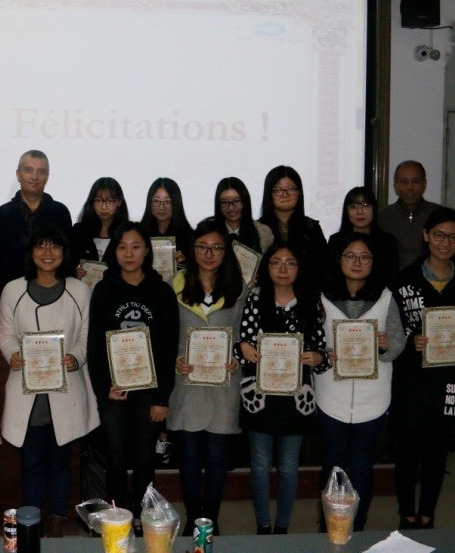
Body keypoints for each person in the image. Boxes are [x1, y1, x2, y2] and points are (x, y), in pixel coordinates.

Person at [0, 224, 99, 538]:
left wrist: (75, 357)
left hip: (66, 392)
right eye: (40, 246)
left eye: (54, 246)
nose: (47, 252)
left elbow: (87, 336)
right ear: (30, 252)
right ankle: (32, 525)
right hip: (28, 395)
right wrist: (13, 353)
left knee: (60, 465)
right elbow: (5, 333)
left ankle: (56, 523)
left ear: (64, 253)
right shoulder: (13, 290)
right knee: (31, 466)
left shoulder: (79, 290)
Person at [390, 207, 455, 530]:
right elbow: (390, 333)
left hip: (450, 381)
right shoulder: (403, 282)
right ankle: (407, 515)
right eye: (439, 235)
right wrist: (410, 341)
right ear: (426, 236)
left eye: (453, 237)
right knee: (407, 453)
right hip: (412, 382)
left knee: (437, 453)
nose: (445, 243)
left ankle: (428, 515)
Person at [86, 222, 179, 532]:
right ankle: (117, 519)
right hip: (115, 390)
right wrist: (104, 388)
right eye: (122, 246)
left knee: (144, 458)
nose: (129, 253)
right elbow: (95, 345)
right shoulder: (103, 290)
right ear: (114, 251)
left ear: (147, 251)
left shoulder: (161, 291)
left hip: (150, 393)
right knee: (114, 457)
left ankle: (144, 517)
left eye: (136, 246)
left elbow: (168, 347)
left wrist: (162, 397)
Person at [234, 241, 328, 535]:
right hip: (259, 396)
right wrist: (243, 347)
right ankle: (263, 525)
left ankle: (283, 526)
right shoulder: (254, 299)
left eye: (290, 263)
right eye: (276, 262)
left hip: (296, 398)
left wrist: (318, 357)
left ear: (300, 268)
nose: (283, 269)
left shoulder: (311, 302)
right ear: (267, 267)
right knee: (260, 464)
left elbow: (322, 351)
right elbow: (241, 343)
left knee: (288, 465)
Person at [315, 232, 406, 531]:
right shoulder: (321, 296)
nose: (357, 262)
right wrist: (323, 354)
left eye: (365, 257)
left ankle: (358, 528)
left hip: (373, 399)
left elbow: (398, 343)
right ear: (339, 260)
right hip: (330, 396)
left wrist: (386, 345)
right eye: (350, 256)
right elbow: (311, 342)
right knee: (333, 463)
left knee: (363, 464)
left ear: (373, 262)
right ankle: (329, 526)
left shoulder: (386, 297)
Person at [169, 219, 246, 536]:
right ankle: (192, 517)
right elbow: (166, 335)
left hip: (223, 383)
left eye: (216, 248)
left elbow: (244, 336)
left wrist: (237, 357)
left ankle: (210, 519)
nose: (209, 254)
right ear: (192, 250)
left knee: (216, 457)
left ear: (226, 251)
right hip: (186, 382)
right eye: (202, 247)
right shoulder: (174, 284)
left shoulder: (239, 287)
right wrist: (175, 361)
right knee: (189, 456)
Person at [0, 150, 73, 291]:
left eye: (41, 171)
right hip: (11, 292)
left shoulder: (60, 213)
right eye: (29, 170)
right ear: (18, 174)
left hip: (54, 291)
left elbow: (67, 256)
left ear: (47, 176)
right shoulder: (1, 215)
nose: (35, 177)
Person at [257, 166, 328, 287]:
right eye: (278, 190)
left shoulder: (312, 228)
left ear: (299, 193)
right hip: (266, 293)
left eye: (291, 189)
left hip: (306, 293)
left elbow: (323, 268)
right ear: (269, 194)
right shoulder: (258, 228)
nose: (285, 195)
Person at [326, 187, 399, 286]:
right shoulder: (335, 241)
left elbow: (391, 279)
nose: (360, 211)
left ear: (374, 209)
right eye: (354, 206)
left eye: (365, 205)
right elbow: (330, 276)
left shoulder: (388, 242)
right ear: (346, 211)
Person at [378, 161, 442, 271]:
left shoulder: (440, 215)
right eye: (404, 182)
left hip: (431, 279)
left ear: (424, 184)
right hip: (392, 280)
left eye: (415, 181)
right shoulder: (381, 217)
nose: (410, 187)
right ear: (395, 186)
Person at [71, 177, 129, 271]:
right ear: (92, 203)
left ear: (119, 202)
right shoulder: (79, 231)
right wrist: (75, 271)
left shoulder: (128, 233)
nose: (104, 207)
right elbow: (69, 263)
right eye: (98, 201)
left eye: (110, 201)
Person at [139, 177, 194, 271]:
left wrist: (184, 263)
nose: (161, 207)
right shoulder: (139, 234)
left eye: (168, 201)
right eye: (156, 201)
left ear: (176, 203)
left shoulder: (190, 237)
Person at [213, 177, 273, 254]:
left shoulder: (263, 233)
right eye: (224, 202)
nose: (231, 207)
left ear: (245, 201)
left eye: (236, 201)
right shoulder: (209, 231)